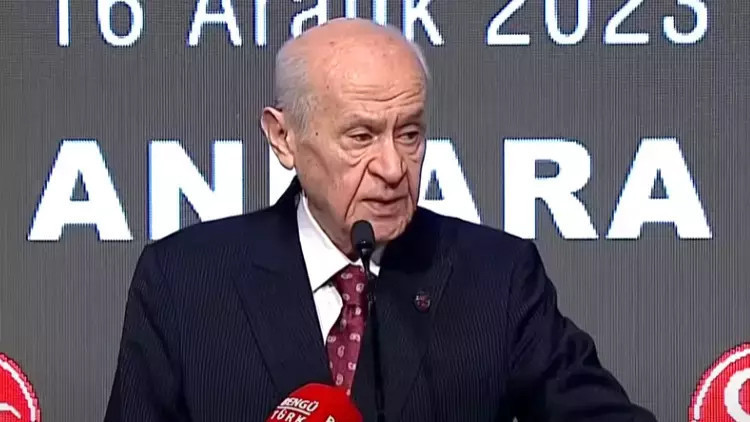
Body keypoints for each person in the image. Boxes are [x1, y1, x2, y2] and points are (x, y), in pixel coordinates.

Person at [105, 18, 657, 421]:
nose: (393, 168)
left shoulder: (497, 276)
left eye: (409, 133)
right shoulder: (184, 280)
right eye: (361, 136)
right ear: (283, 138)